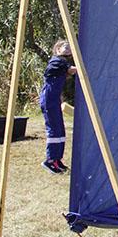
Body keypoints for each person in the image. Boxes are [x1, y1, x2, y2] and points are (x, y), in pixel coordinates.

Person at [40, 40, 77, 174]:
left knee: (60, 130)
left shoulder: (63, 63)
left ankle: (57, 160)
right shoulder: (56, 61)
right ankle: (49, 161)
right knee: (54, 129)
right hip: (49, 99)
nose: (67, 50)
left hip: (54, 100)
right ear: (57, 50)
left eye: (69, 48)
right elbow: (72, 70)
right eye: (64, 47)